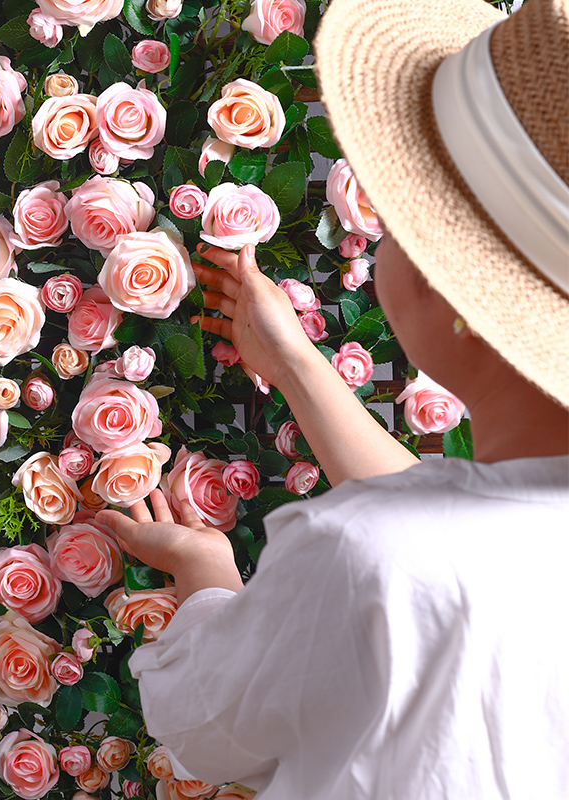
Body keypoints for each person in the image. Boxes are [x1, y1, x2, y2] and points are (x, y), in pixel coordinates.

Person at [98, 0, 569, 797]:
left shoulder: (362, 557)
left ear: (450, 284)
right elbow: (461, 525)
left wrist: (209, 577)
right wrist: (297, 366)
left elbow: (204, 728)